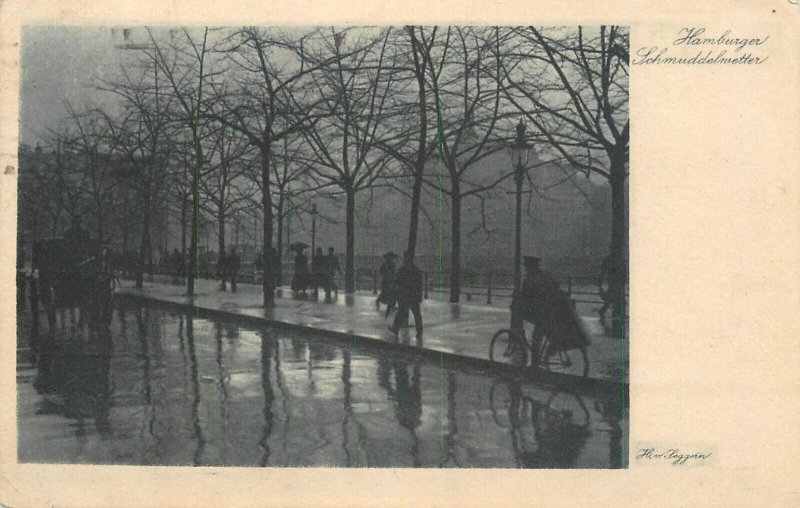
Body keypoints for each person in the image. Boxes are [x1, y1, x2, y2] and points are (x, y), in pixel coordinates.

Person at [516, 255, 590, 359]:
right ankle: (550, 351)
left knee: (537, 337)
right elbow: (556, 287)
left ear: (529, 266)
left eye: (526, 266)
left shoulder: (530, 279)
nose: (525, 268)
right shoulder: (544, 275)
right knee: (550, 332)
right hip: (552, 310)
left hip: (540, 313)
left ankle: (535, 364)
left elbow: (527, 297)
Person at [389, 250, 423, 340]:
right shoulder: (416, 271)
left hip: (404, 296)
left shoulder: (402, 270)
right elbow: (419, 285)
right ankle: (419, 332)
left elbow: (397, 282)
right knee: (416, 314)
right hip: (414, 296)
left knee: (401, 312)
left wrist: (397, 291)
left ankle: (395, 329)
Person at [376, 251, 398, 317]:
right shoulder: (392, 264)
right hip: (389, 281)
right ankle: (390, 308)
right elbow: (393, 273)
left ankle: (387, 308)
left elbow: (381, 272)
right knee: (389, 295)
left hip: (387, 281)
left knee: (385, 295)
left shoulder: (385, 264)